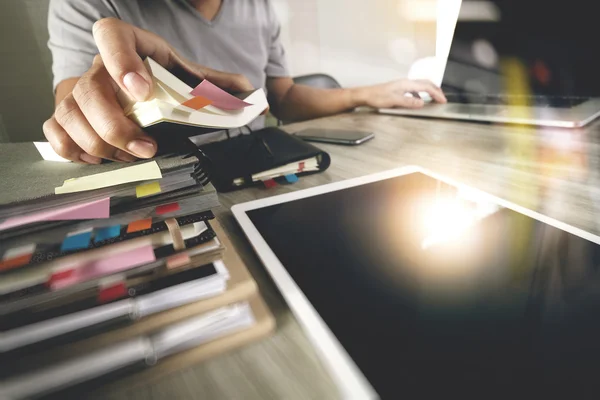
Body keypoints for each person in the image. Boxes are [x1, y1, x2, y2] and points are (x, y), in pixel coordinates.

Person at [44, 0, 447, 164]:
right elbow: (77, 102)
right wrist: (99, 108)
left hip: (259, 160)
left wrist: (366, 94)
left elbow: (283, 96)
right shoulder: (89, 5)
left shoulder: (259, 6)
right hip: (170, 172)